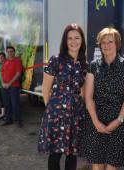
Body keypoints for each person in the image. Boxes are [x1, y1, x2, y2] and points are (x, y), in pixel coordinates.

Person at [80, 27, 124, 170]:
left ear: (117, 44)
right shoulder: (93, 65)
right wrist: (95, 121)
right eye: (103, 42)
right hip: (95, 120)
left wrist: (119, 120)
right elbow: (88, 96)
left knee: (112, 165)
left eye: (110, 41)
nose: (106, 45)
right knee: (97, 164)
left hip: (118, 121)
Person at [38, 23, 87, 170]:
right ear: (65, 41)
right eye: (69, 38)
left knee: (72, 154)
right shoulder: (56, 60)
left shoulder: (85, 64)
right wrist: (51, 110)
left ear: (82, 40)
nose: (73, 42)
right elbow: (46, 88)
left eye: (77, 38)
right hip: (56, 114)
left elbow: (84, 92)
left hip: (75, 114)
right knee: (55, 154)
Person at [0, 46, 23, 127]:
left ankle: (19, 121)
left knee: (15, 104)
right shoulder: (5, 62)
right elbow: (1, 73)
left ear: (14, 52)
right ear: (7, 52)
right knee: (7, 104)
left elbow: (18, 74)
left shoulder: (17, 61)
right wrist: (3, 83)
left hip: (14, 87)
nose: (10, 53)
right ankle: (9, 120)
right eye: (8, 51)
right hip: (5, 87)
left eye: (11, 51)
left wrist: (9, 83)